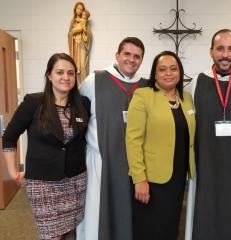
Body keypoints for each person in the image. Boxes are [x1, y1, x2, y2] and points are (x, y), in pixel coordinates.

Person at [2, 53, 90, 240]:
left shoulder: (83, 104)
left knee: (72, 234)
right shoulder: (33, 103)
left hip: (75, 181)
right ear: (49, 75)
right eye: (59, 72)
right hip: (43, 183)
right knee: (52, 236)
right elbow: (9, 137)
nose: (65, 77)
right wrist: (11, 171)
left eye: (71, 73)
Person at [185, 29, 231, 240]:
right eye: (220, 48)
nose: (225, 54)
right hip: (205, 163)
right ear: (211, 52)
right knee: (203, 211)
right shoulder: (197, 83)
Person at [76, 37, 147, 240]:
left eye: (137, 56)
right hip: (101, 161)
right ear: (117, 55)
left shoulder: (145, 85)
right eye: (127, 54)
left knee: (131, 215)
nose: (131, 60)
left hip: (135, 164)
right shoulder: (95, 81)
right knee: (97, 214)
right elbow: (79, 118)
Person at [126, 51, 196, 240]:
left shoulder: (186, 98)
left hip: (178, 177)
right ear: (154, 74)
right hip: (151, 180)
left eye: (173, 69)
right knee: (149, 229)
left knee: (170, 227)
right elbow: (133, 140)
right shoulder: (143, 96)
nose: (168, 73)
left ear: (180, 72)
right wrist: (139, 179)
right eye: (162, 69)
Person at [68, 2, 92, 85]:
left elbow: (89, 35)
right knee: (75, 66)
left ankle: (84, 85)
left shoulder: (84, 22)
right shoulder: (73, 22)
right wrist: (75, 31)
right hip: (75, 46)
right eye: (78, 8)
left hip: (82, 45)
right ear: (75, 9)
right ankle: (76, 86)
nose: (79, 11)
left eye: (81, 9)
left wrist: (84, 31)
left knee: (82, 67)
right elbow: (69, 34)